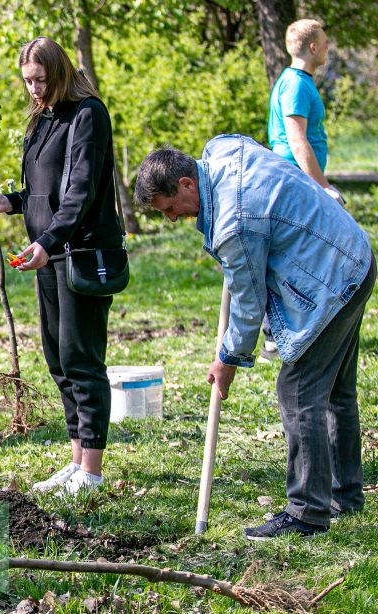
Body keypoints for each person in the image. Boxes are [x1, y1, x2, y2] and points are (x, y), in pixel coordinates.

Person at [134, 135, 374, 541]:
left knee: (297, 391)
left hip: (331, 281)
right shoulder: (221, 151)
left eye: (171, 208)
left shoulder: (234, 224)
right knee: (335, 390)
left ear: (188, 183)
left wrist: (228, 359)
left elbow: (248, 304)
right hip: (354, 256)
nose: (173, 219)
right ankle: (344, 495)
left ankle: (307, 512)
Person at [0, 37, 123, 495]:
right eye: (27, 81)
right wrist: (10, 201)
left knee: (82, 359)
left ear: (59, 73)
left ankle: (92, 471)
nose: (34, 89)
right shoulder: (43, 119)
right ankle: (76, 462)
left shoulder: (88, 115)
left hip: (80, 254)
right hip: (48, 252)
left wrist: (47, 240)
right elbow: (44, 191)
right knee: (58, 359)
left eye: (40, 80)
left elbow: (80, 192)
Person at [267, 18, 342, 205]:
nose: (327, 47)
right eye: (325, 43)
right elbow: (297, 141)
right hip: (295, 181)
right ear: (313, 48)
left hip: (301, 180)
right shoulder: (296, 84)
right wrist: (324, 187)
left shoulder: (300, 80)